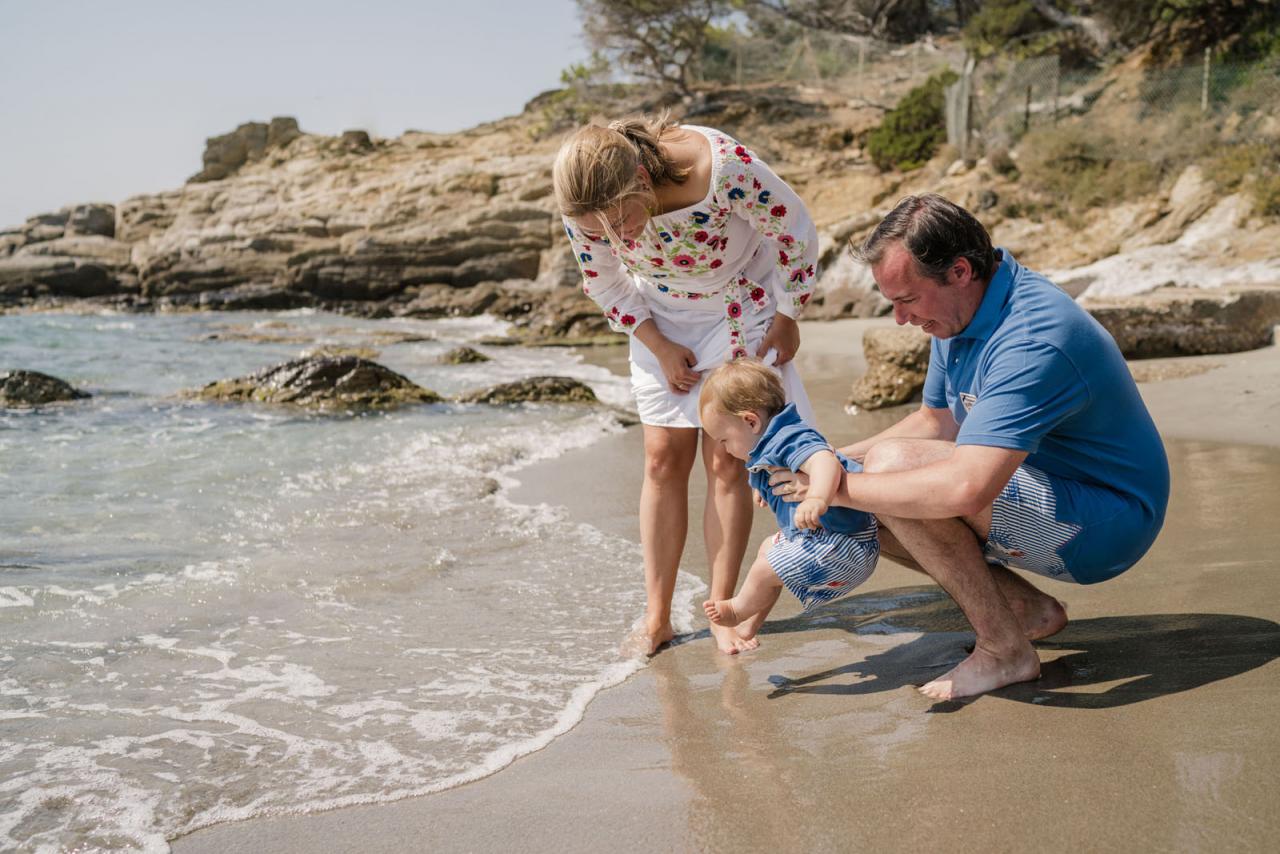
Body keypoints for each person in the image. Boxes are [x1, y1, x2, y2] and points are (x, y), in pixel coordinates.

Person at [769, 194, 1170, 699]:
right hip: (1048, 489)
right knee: (866, 478)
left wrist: (832, 489)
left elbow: (965, 489)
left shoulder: (1031, 337)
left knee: (884, 476)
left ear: (959, 270)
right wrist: (823, 465)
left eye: (907, 301)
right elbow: (936, 423)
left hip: (1109, 522)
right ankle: (1025, 613)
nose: (899, 319)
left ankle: (1005, 651)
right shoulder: (961, 311)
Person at [553, 114, 820, 655]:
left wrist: (789, 314)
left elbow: (794, 231)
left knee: (727, 459)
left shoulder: (721, 169)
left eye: (622, 219)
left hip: (738, 303)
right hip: (659, 313)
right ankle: (657, 618)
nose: (615, 236)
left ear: (640, 178)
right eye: (598, 229)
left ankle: (722, 607)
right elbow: (603, 280)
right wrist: (658, 344)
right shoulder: (584, 209)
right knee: (660, 459)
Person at [697, 359, 879, 636]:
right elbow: (772, 468)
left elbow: (823, 460)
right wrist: (762, 487)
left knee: (763, 570)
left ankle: (738, 609)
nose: (724, 449)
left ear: (750, 420)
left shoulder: (789, 436)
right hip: (823, 540)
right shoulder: (768, 442)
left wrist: (817, 498)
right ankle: (750, 624)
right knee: (767, 551)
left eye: (723, 440)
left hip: (844, 546)